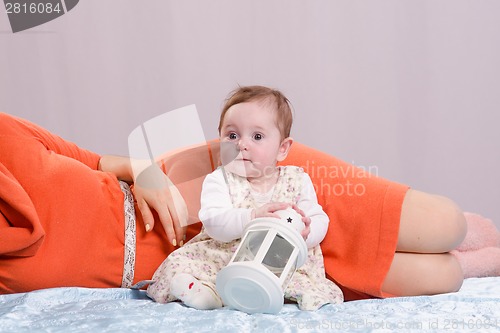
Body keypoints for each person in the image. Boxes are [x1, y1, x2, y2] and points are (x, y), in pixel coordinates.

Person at [0, 84, 467, 301]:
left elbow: (98, 161)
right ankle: (484, 258)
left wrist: (142, 170)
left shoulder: (6, 133)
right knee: (443, 276)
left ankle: (480, 240)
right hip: (216, 263)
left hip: (220, 178)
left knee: (446, 224)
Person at [146, 86, 344, 310]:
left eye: (257, 136)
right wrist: (253, 216)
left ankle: (289, 296)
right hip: (225, 256)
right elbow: (214, 222)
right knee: (181, 265)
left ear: (282, 148)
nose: (241, 144)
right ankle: (207, 294)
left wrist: (306, 232)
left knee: (304, 283)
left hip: (278, 262)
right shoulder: (219, 179)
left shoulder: (296, 179)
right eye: (232, 135)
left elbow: (319, 218)